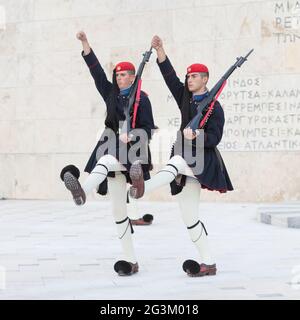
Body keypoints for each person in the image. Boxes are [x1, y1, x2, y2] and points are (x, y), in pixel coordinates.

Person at [129, 35, 233, 277]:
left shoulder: (215, 107)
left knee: (175, 163)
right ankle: (208, 263)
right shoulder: (186, 98)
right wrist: (160, 50)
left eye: (194, 76)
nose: (189, 79)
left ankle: (144, 185)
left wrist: (197, 136)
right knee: (190, 218)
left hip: (200, 162)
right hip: (184, 160)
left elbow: (215, 137)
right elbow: (170, 78)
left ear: (205, 79)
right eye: (188, 76)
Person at [60, 31, 155, 276]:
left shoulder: (142, 100)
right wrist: (85, 44)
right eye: (118, 74)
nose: (119, 77)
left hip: (132, 151)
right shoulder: (111, 95)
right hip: (112, 144)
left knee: (105, 158)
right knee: (118, 212)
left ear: (133, 77)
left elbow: (148, 129)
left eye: (124, 74)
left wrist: (132, 134)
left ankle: (84, 189)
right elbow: (97, 73)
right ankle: (130, 260)